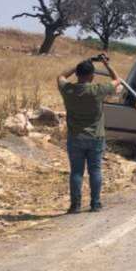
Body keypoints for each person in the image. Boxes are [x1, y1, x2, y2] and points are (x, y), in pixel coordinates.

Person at [58, 54, 121, 213]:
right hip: (96, 137)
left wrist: (82, 61)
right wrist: (106, 64)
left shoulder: (68, 90)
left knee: (77, 172)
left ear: (77, 74)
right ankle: (95, 203)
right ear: (92, 76)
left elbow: (61, 76)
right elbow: (117, 80)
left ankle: (75, 205)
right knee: (95, 170)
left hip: (75, 137)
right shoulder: (97, 90)